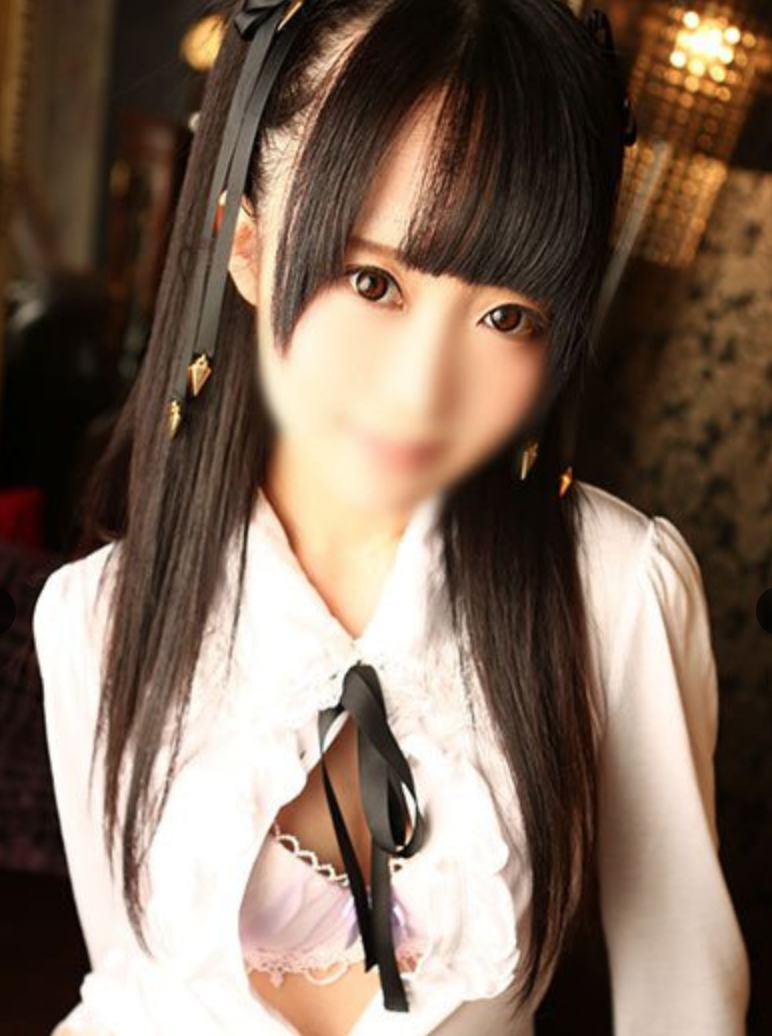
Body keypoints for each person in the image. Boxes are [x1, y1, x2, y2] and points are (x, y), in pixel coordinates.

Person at [32, 1, 751, 1034]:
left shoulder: (612, 587)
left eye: (506, 316)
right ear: (245, 244)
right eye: (371, 281)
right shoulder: (94, 617)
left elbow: (682, 998)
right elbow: (127, 994)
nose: (424, 389)